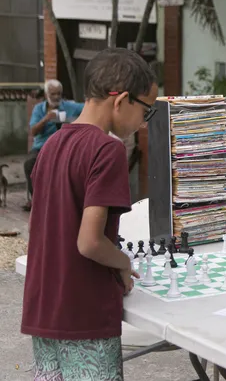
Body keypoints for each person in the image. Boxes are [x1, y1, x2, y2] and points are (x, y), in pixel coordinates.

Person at [21, 48, 158, 380]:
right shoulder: (107, 149)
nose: (143, 122)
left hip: (45, 308)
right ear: (121, 100)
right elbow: (89, 242)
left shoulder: (51, 146)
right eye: (146, 110)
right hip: (85, 314)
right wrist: (124, 262)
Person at [24, 79, 85, 210]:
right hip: (43, 147)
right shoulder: (39, 109)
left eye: (59, 94)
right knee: (29, 163)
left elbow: (89, 108)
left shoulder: (70, 106)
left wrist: (75, 121)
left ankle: (68, 203)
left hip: (65, 146)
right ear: (46, 95)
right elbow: (33, 131)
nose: (57, 97)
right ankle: (38, 201)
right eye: (53, 94)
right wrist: (46, 118)